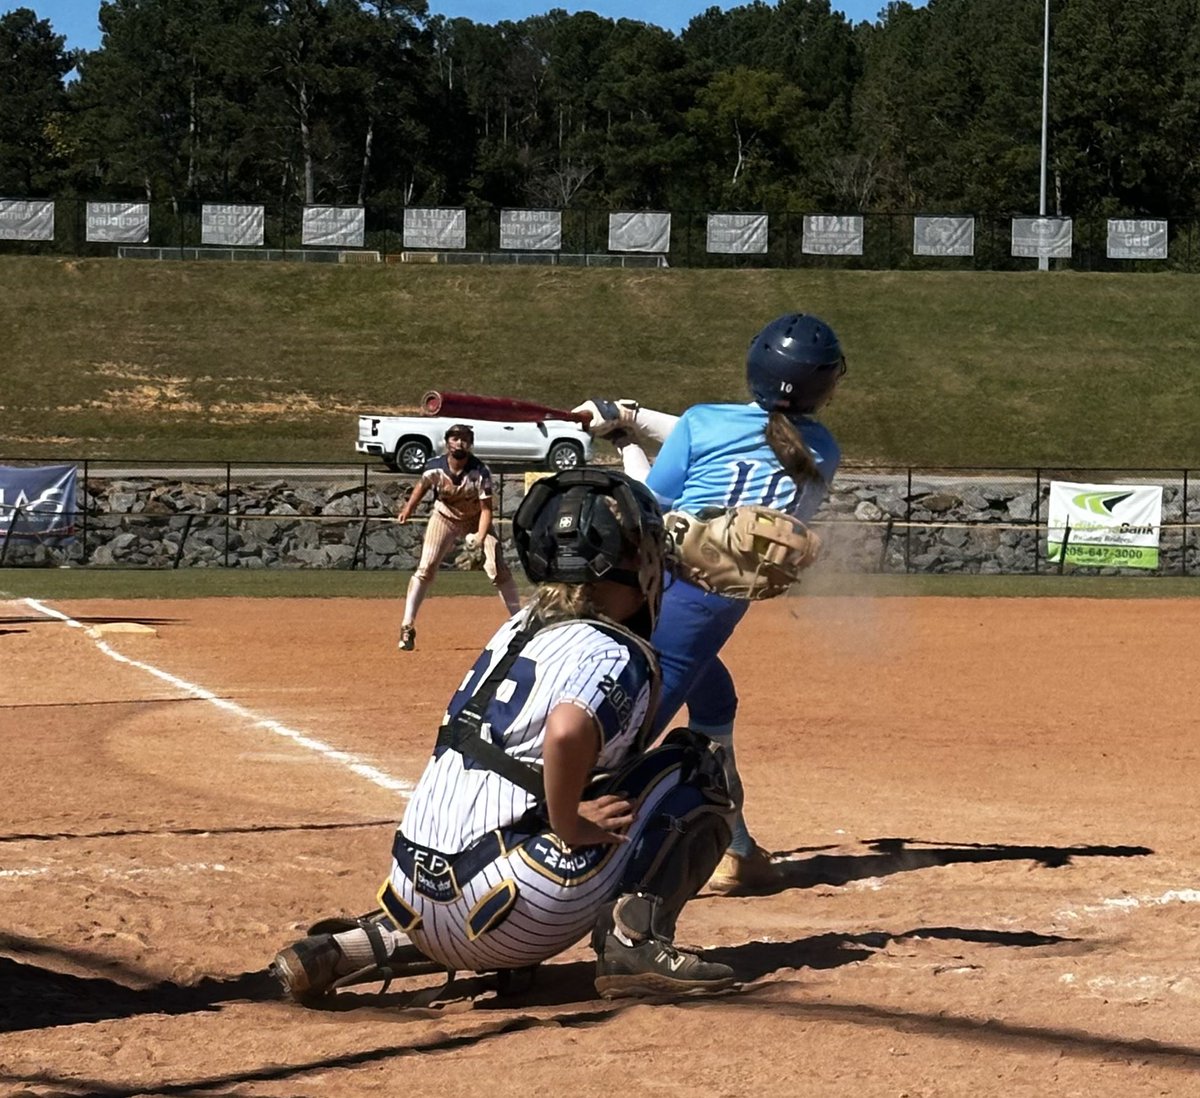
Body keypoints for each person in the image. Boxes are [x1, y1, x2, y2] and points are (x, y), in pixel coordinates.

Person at [272, 468, 738, 1002]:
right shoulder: (615, 648)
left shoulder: (519, 626)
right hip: (513, 906)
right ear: (629, 565)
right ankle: (635, 942)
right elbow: (566, 732)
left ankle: (360, 945)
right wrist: (571, 821)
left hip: (410, 892)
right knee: (699, 768)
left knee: (515, 822)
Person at [574, 312, 845, 893]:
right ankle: (738, 847)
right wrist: (632, 418)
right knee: (714, 696)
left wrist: (624, 435)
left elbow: (650, 501)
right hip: (722, 601)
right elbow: (756, 438)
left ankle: (583, 870)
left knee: (621, 745)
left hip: (661, 590)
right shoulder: (823, 450)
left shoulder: (701, 421)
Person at [396, 423, 521, 651]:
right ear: (447, 443)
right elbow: (422, 485)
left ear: (470, 444)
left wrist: (480, 537)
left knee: (498, 569)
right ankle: (407, 626)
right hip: (444, 516)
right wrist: (408, 509)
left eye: (464, 439)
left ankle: (521, 624)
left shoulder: (480, 471)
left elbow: (486, 509)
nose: (459, 442)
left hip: (475, 519)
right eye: (455, 438)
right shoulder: (435, 467)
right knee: (425, 569)